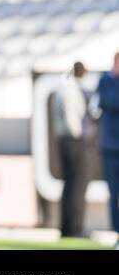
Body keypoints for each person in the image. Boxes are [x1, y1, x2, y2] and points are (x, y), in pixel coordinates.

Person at [53, 62, 90, 239]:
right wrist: (78, 135)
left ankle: (66, 227)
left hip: (63, 140)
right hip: (73, 140)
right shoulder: (71, 90)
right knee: (77, 185)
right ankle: (75, 228)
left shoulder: (63, 88)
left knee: (69, 185)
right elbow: (73, 118)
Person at [94, 52, 119, 245]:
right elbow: (109, 102)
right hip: (111, 147)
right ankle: (117, 231)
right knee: (114, 192)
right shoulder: (105, 80)